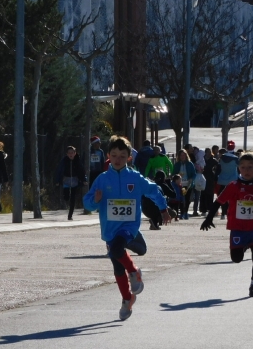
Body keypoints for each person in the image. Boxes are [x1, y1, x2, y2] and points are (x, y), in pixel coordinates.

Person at [83, 136, 172, 321]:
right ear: (108, 156)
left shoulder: (134, 177)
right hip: (110, 227)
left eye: (122, 156)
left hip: (129, 225)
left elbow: (153, 190)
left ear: (129, 157)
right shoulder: (102, 179)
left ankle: (134, 272)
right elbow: (88, 203)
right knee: (116, 265)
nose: (118, 159)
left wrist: (163, 209)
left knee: (117, 249)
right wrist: (95, 201)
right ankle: (127, 299)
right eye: (114, 155)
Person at [200, 152, 253, 297]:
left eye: (250, 167)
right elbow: (218, 202)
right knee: (236, 258)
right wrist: (209, 218)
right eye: (243, 167)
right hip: (238, 228)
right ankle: (244, 245)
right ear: (238, 168)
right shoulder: (234, 185)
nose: (246, 171)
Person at [55, 145, 87, 220]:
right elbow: (59, 171)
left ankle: (70, 215)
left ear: (75, 153)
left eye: (72, 152)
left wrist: (84, 180)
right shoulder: (64, 161)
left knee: (73, 199)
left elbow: (82, 171)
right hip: (66, 180)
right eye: (69, 153)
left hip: (75, 181)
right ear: (67, 154)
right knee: (66, 197)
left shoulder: (78, 160)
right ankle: (66, 197)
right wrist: (57, 181)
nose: (70, 154)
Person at [215, 141, 239, 219]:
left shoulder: (222, 157)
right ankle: (230, 213)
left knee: (222, 197)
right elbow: (239, 168)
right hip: (233, 180)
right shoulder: (235, 158)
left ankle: (223, 213)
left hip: (222, 180)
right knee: (232, 197)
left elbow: (219, 168)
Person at [172, 149, 196, 219]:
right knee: (181, 199)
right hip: (180, 185)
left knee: (187, 199)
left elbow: (194, 174)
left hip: (188, 184)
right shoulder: (177, 164)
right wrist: (175, 178)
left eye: (184, 155)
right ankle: (182, 212)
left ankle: (185, 212)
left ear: (186, 155)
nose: (182, 156)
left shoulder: (190, 164)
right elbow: (174, 173)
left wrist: (191, 179)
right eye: (181, 155)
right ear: (179, 156)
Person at [200, 148, 218, 213]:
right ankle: (203, 209)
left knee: (210, 194)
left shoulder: (213, 161)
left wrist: (215, 175)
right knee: (203, 194)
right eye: (207, 152)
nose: (209, 154)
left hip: (211, 179)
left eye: (210, 152)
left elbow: (218, 169)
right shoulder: (202, 160)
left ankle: (210, 208)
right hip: (203, 178)